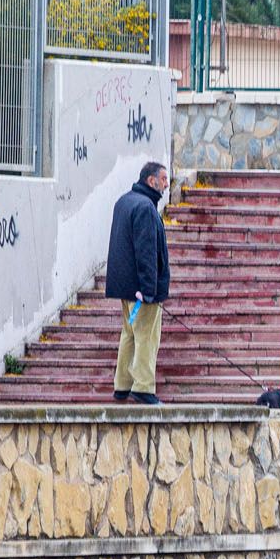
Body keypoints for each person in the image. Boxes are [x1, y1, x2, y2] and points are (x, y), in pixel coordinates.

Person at [105, 160, 171, 404]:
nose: (166, 184)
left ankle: (122, 385)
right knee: (146, 336)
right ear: (151, 180)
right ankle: (143, 387)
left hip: (125, 288)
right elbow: (146, 253)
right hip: (142, 291)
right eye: (163, 179)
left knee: (129, 334)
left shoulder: (124, 201)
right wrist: (148, 290)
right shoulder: (145, 207)